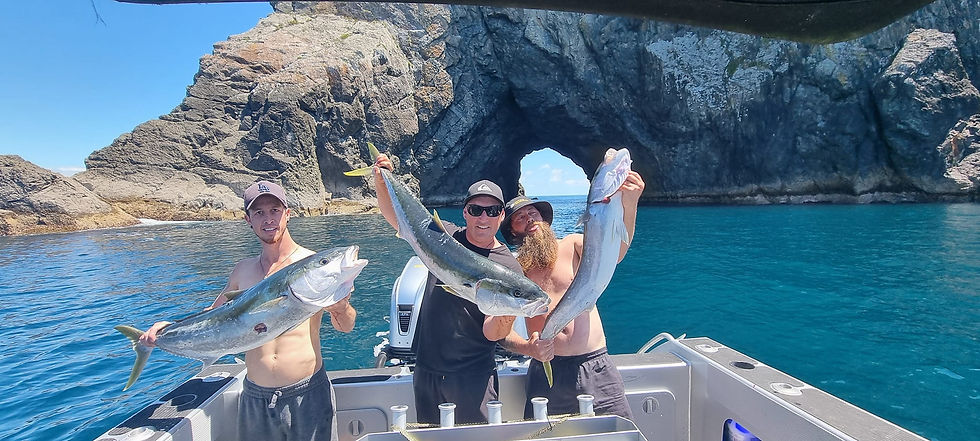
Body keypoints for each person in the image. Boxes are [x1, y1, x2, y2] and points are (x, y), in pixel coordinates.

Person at [139, 180, 357, 441]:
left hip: (308, 393)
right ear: (248, 219)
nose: (268, 219)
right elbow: (213, 315)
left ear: (288, 214)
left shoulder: (315, 267)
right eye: (259, 212)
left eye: (275, 210)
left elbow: (346, 326)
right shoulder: (242, 270)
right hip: (255, 397)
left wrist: (341, 307)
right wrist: (168, 329)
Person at [372, 154, 521, 424]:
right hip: (426, 370)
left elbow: (493, 332)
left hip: (472, 376)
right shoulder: (444, 237)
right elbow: (396, 217)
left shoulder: (508, 268)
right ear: (465, 212)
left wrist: (509, 311)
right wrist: (382, 181)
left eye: (492, 211)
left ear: (501, 216)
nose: (483, 217)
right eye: (475, 210)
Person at [500, 170, 644, 420]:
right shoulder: (514, 270)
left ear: (545, 219)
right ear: (513, 232)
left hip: (595, 367)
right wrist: (527, 348)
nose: (530, 219)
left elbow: (614, 252)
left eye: (533, 213)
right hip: (546, 374)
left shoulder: (574, 244)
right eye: (520, 218)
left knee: (618, 434)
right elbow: (501, 332)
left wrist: (629, 204)